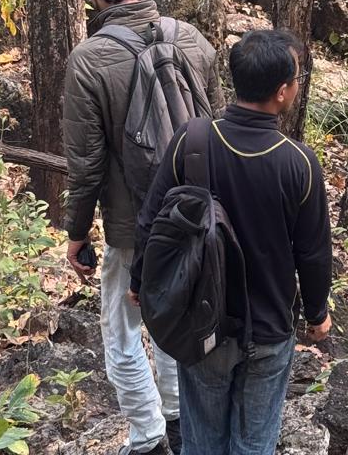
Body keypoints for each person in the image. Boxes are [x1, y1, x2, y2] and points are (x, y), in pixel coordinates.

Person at [130, 30, 332, 455]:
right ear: (282, 92)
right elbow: (312, 253)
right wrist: (317, 313)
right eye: (297, 79)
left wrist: (139, 281)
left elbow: (153, 220)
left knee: (202, 442)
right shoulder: (298, 162)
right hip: (271, 328)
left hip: (205, 323)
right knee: (254, 444)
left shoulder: (193, 139)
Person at [63, 0, 224, 455]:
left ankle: (148, 437)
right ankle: (178, 419)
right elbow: (220, 129)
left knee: (122, 331)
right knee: (178, 316)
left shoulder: (89, 60)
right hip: (200, 214)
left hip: (133, 224)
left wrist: (75, 232)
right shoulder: (194, 41)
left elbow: (85, 165)